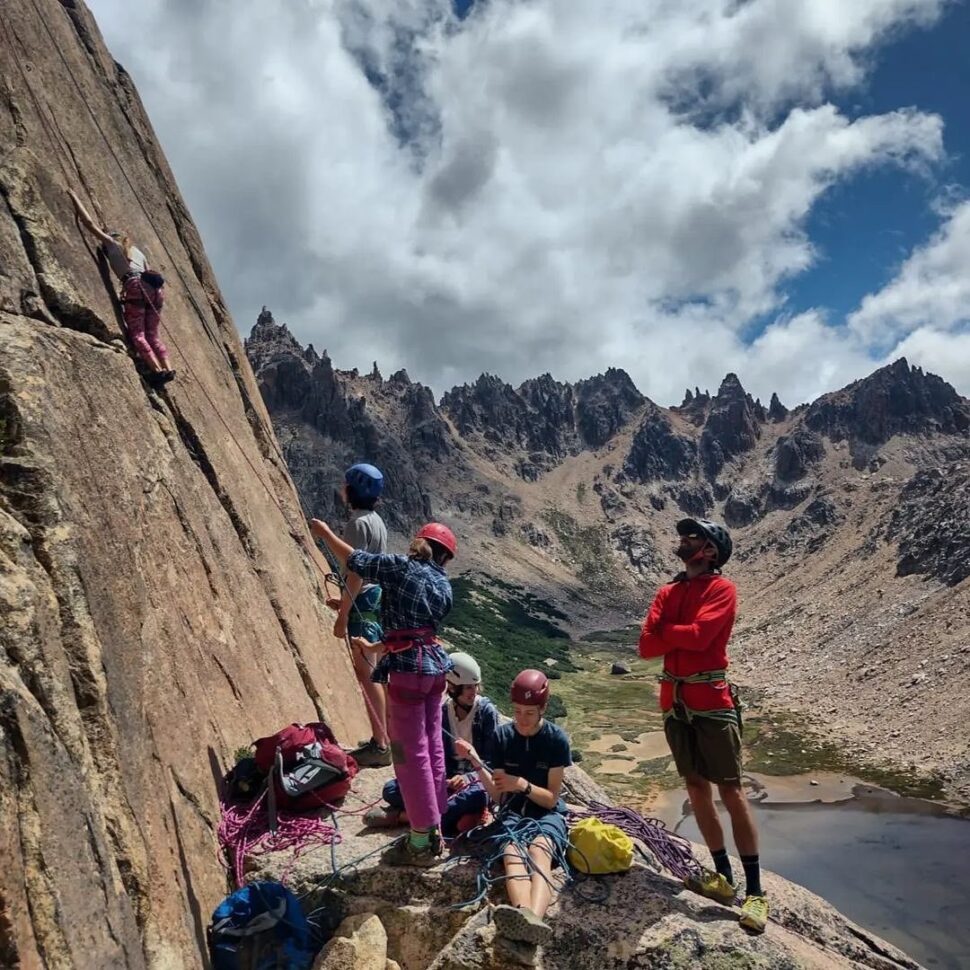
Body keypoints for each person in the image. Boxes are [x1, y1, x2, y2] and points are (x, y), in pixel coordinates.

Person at [638, 518, 768, 934]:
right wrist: (679, 634)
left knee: (730, 790)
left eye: (694, 537)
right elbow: (645, 646)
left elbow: (695, 637)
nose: (685, 540)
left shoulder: (722, 590)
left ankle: (756, 892)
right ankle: (723, 877)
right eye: (686, 536)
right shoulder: (668, 591)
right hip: (678, 702)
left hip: (710, 701)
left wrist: (668, 633)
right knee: (696, 789)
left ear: (711, 550)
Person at [309, 517, 457, 866]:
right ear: (445, 558)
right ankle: (436, 825)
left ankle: (421, 841)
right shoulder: (444, 585)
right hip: (434, 670)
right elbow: (414, 629)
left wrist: (325, 534)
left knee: (407, 754)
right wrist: (377, 646)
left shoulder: (399, 566)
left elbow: (355, 561)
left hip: (406, 673)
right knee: (433, 745)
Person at [456, 669, 571, 948]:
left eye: (529, 713)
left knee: (539, 849)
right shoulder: (502, 737)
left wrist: (521, 784)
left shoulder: (556, 740)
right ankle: (525, 918)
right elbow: (497, 796)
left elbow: (551, 800)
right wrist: (475, 761)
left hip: (546, 813)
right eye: (517, 711)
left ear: (543, 709)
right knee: (511, 851)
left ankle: (532, 918)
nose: (521, 719)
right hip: (514, 813)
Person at [366, 651, 501, 836]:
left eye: (475, 686)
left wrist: (468, 778)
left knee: (475, 796)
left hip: (476, 780)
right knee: (391, 789)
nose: (473, 692)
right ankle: (455, 817)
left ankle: (404, 817)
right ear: (452, 687)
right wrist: (440, 777)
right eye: (468, 687)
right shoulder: (443, 711)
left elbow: (492, 762)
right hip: (448, 778)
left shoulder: (486, 713)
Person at [68, 190, 175, 387]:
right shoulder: (138, 252)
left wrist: (73, 196)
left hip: (135, 287)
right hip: (156, 292)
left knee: (138, 334)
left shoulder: (112, 244)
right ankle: (168, 368)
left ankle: (157, 371)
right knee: (153, 334)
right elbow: (148, 271)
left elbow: (89, 224)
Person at [330, 463, 392, 768]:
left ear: (351, 490)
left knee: (368, 675)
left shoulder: (356, 525)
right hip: (373, 599)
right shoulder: (377, 521)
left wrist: (343, 616)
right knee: (374, 672)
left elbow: (355, 573)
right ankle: (383, 740)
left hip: (361, 602)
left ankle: (381, 746)